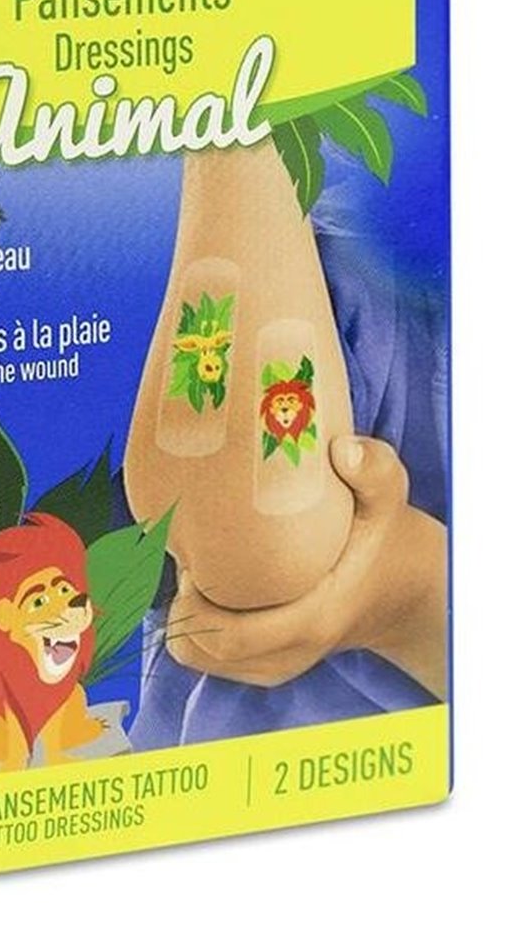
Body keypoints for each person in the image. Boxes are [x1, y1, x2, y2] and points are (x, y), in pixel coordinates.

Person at [129, 219, 449, 750]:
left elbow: (255, 546)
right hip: (216, 776)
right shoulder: (352, 251)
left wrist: (413, 598)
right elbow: (225, 522)